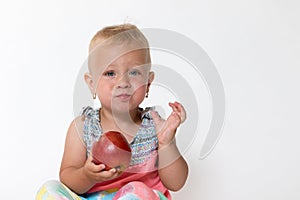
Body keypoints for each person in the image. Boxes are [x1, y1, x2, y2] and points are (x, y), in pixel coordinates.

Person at [36, 23, 188, 200]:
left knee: (137, 191)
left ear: (148, 82)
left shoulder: (155, 126)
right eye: (110, 73)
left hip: (139, 197)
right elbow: (67, 179)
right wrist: (87, 174)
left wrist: (166, 143)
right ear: (91, 83)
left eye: (134, 72)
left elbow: (176, 183)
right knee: (49, 189)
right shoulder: (83, 127)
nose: (123, 82)